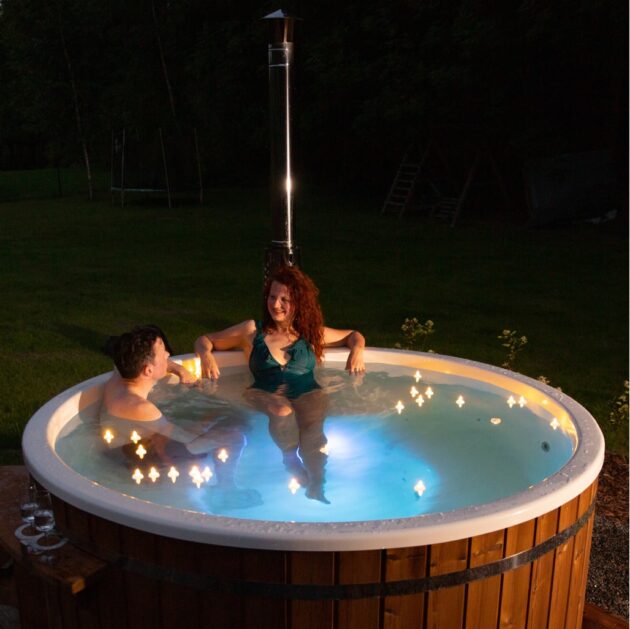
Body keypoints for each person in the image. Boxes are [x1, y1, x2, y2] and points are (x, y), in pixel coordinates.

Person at [194, 265, 366, 502]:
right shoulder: (252, 331)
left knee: (313, 429)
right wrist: (206, 355)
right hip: (264, 392)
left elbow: (353, 335)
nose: (276, 305)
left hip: (307, 391)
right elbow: (205, 340)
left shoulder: (311, 333)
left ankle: (317, 482)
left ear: (299, 302)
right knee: (282, 409)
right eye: (272, 297)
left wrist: (356, 350)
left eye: (284, 299)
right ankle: (289, 458)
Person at [100, 326, 254, 508]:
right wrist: (209, 416)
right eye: (163, 353)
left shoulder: (118, 381)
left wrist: (178, 370)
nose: (168, 355)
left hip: (123, 448)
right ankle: (226, 488)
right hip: (139, 460)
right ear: (148, 370)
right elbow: (186, 439)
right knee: (235, 437)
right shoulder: (142, 408)